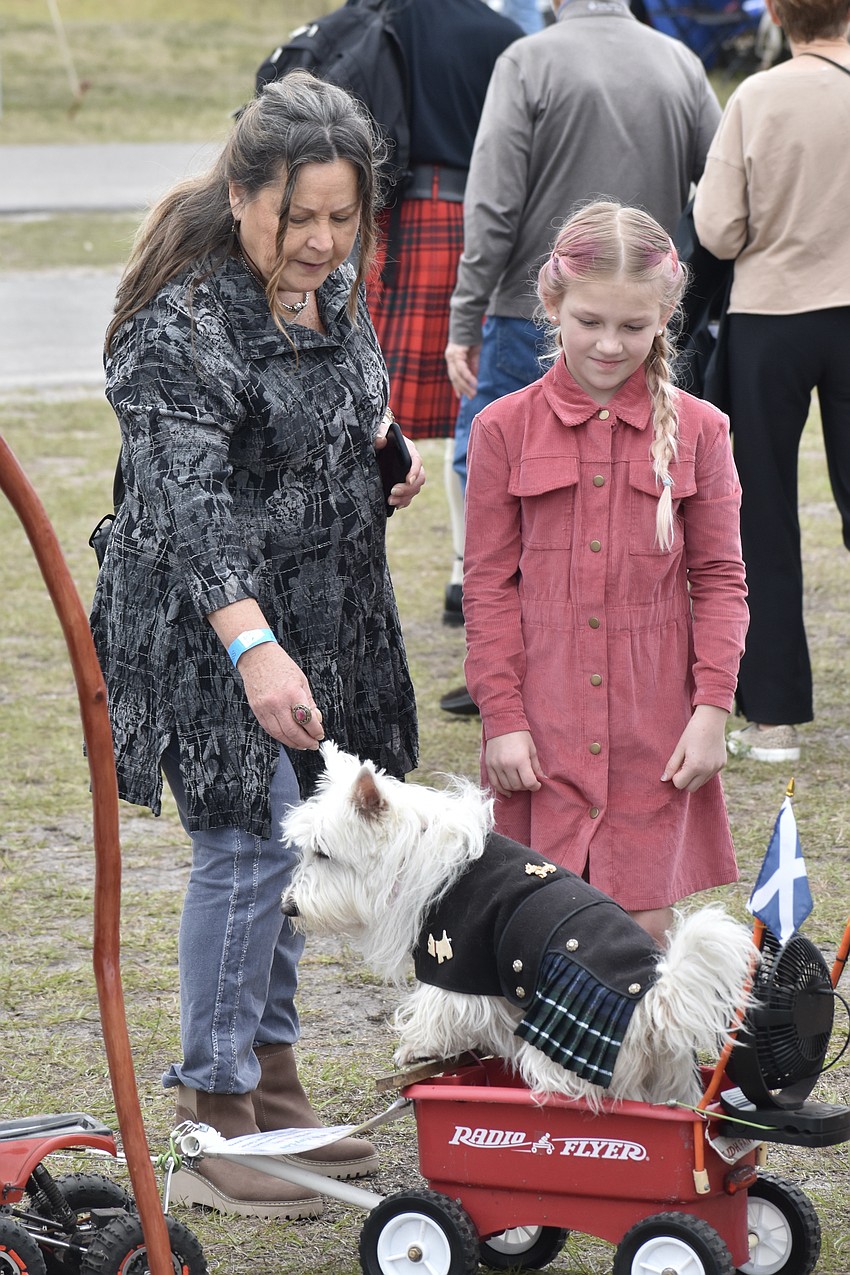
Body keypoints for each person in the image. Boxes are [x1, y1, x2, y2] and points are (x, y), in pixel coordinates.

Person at [89, 70, 424, 1219]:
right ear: (242, 196)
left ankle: (273, 1087)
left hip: (322, 603)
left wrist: (384, 444)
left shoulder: (326, 286)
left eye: (343, 216)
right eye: (300, 217)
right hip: (204, 625)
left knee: (302, 838)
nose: (323, 241)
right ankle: (210, 1112)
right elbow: (190, 510)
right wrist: (254, 653)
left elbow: (348, 390)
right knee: (245, 845)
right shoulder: (178, 329)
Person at [462, 201, 749, 944]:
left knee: (641, 927)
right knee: (535, 924)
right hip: (543, 722)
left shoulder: (702, 431)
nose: (610, 344)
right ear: (552, 303)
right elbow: (487, 588)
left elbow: (721, 580)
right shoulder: (501, 429)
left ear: (665, 317)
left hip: (655, 726)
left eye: (633, 325)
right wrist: (503, 720)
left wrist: (712, 711)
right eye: (589, 321)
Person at [441, 0, 723, 715]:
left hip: (529, 314)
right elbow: (721, 194)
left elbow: (493, 204)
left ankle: (514, 678)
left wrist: (466, 312)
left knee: (516, 499)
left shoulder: (527, 60)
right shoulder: (680, 62)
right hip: (631, 313)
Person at [692, 0, 850, 764]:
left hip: (771, 314)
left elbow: (718, 229)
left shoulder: (756, 96)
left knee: (762, 515)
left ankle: (774, 717)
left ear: (780, 14)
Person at [367, 0, 523, 630]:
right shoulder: (505, 35)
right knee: (476, 402)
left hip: (392, 219)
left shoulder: (387, 20)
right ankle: (464, 572)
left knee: (365, 400)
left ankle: (372, 563)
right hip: (480, 217)